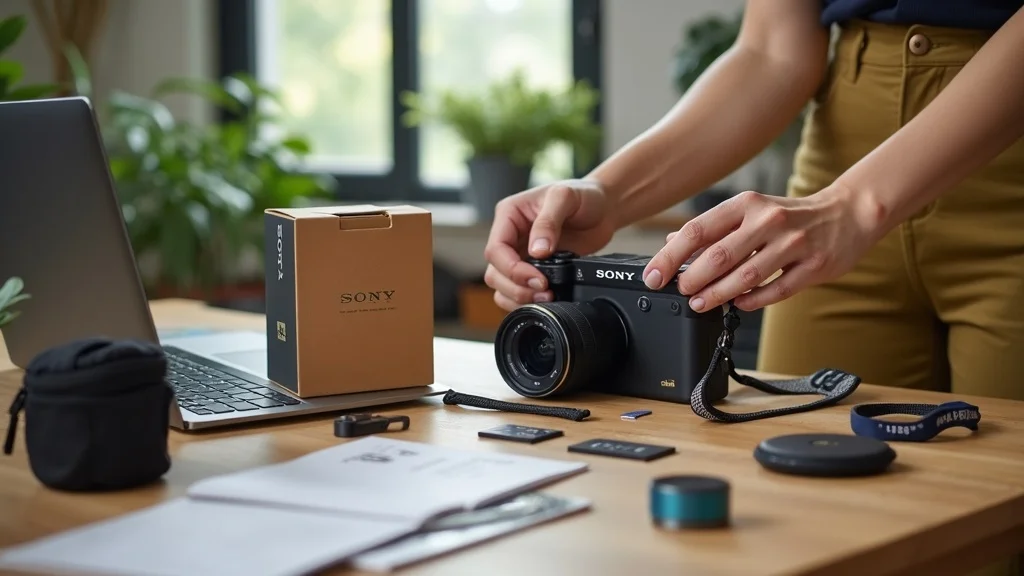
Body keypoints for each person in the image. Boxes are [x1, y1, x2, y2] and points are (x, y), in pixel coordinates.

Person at [484, 2, 1023, 573]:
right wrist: (607, 193)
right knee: (796, 520)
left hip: (985, 166)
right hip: (833, 185)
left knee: (1002, 529)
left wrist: (855, 204)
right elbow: (771, 52)